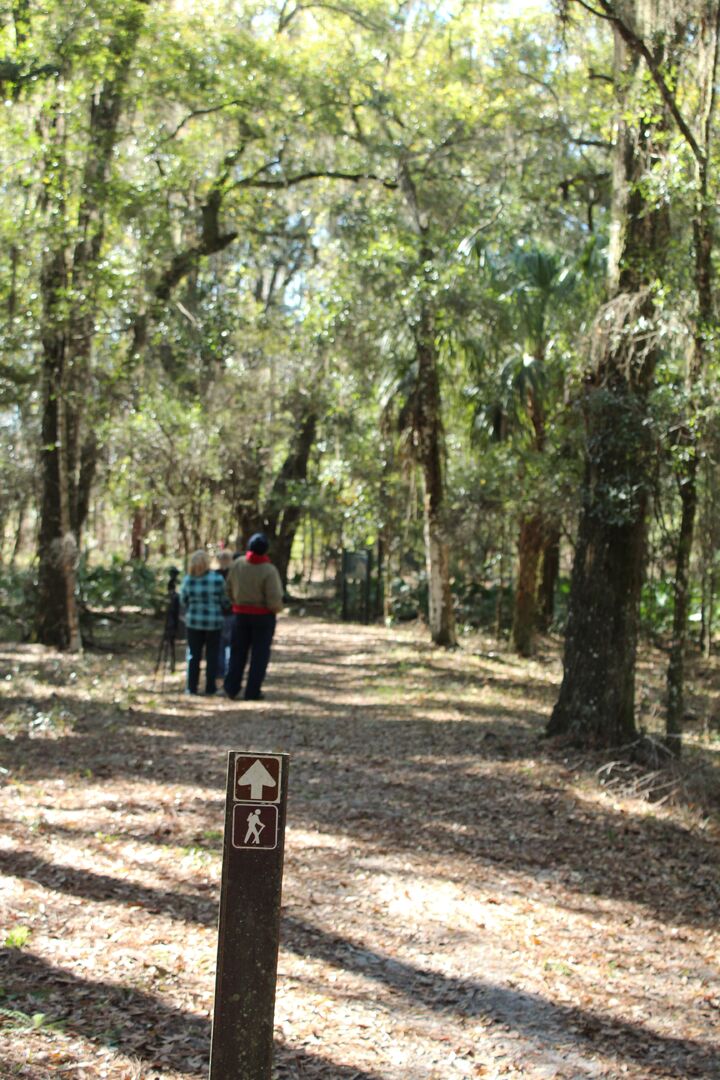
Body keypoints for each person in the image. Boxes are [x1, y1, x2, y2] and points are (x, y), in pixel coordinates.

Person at [224, 532, 283, 701]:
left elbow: (228, 588)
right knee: (259, 655)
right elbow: (274, 597)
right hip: (263, 618)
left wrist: (236, 602)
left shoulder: (237, 565)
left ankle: (231, 687)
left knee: (237, 652)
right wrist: (276, 609)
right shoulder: (269, 570)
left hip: (240, 615)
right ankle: (252, 691)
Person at [179, 549, 228, 696]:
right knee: (212, 655)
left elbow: (183, 600)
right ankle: (210, 687)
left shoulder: (188, 580)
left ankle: (191, 687)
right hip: (213, 622)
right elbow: (225, 601)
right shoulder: (217, 579)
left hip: (194, 622)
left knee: (194, 654)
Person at [215, 549, 235, 680]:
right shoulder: (235, 574)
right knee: (230, 642)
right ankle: (229, 669)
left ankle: (222, 670)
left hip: (219, 613)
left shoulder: (214, 575)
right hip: (232, 612)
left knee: (221, 643)